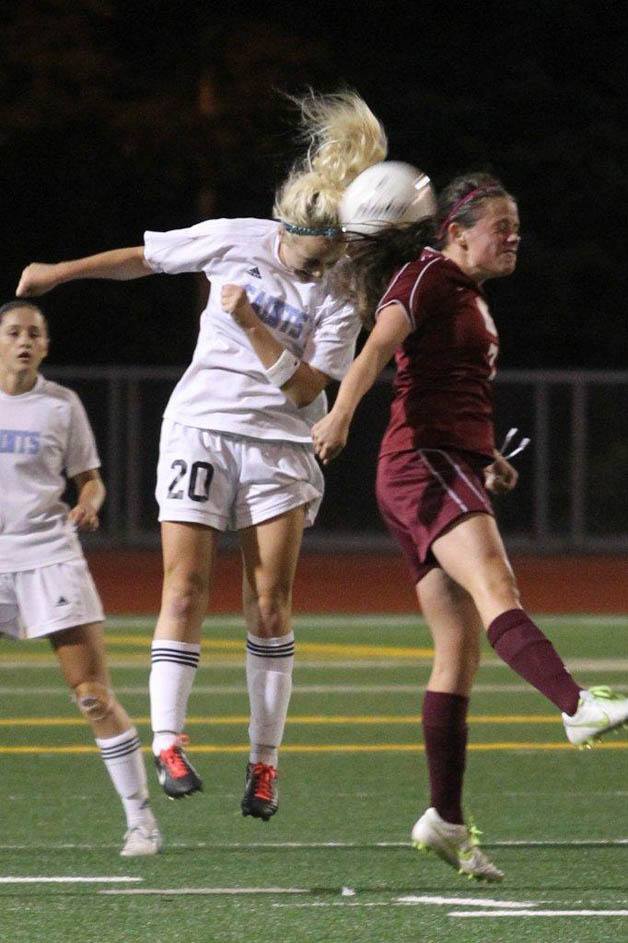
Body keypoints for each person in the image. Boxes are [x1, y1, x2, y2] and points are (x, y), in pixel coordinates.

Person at [16, 90, 388, 820]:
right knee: (184, 587)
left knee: (269, 605)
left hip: (281, 444)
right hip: (201, 427)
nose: (321, 269)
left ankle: (264, 763)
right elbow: (143, 258)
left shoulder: (345, 283)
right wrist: (62, 271)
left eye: (333, 255)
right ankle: (168, 740)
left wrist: (249, 323)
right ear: (288, 228)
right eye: (313, 256)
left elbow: (309, 383)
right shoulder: (236, 237)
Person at [312, 171, 628, 881]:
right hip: (420, 463)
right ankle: (575, 704)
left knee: (457, 648)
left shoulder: (466, 296)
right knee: (497, 583)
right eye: (500, 225)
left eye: (517, 225)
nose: (513, 236)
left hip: (442, 463)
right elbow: (375, 347)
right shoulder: (427, 275)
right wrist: (338, 413)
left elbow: (451, 387)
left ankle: (445, 819)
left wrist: (486, 459)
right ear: (455, 233)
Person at [0, 300, 162, 856]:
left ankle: (141, 821)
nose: (24, 340)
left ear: (45, 346)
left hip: (49, 554)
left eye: (34, 333)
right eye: (13, 331)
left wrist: (90, 503)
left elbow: (90, 480)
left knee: (92, 695)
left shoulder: (61, 406)